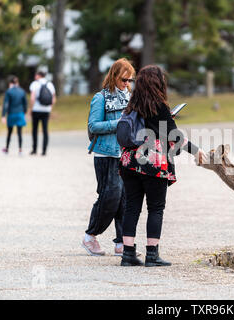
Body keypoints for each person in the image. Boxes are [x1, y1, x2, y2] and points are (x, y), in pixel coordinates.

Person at [119, 65, 207, 267]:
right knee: (156, 208)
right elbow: (174, 137)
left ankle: (128, 254)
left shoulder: (132, 105)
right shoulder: (158, 106)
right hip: (152, 162)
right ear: (159, 83)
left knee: (131, 207)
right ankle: (152, 255)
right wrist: (196, 151)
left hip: (129, 162)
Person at [82, 58, 136, 257]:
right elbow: (93, 126)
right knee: (109, 196)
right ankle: (90, 235)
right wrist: (119, 124)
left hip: (125, 153)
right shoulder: (101, 97)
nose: (127, 84)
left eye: (130, 80)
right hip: (106, 154)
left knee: (124, 199)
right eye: (124, 80)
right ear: (114, 76)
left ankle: (121, 242)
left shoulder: (129, 97)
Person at [28, 71, 56, 156]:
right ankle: (44, 151)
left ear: (38, 75)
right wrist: (50, 108)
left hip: (36, 110)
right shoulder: (50, 84)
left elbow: (32, 98)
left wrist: (30, 109)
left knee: (35, 130)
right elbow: (54, 99)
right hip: (46, 110)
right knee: (45, 130)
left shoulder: (34, 84)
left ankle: (34, 149)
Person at [1, 76, 27, 155]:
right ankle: (20, 150)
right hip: (20, 113)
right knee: (20, 132)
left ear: (10, 83)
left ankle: (7, 148)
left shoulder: (9, 92)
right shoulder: (22, 91)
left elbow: (6, 104)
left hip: (11, 114)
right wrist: (24, 112)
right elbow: (25, 103)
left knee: (9, 132)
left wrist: (3, 115)